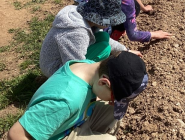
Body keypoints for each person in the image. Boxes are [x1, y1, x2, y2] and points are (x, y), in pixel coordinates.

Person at [8, 51, 148, 140]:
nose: (113, 102)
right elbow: (15, 134)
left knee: (111, 112)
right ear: (104, 82)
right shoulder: (66, 100)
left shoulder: (90, 66)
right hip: (57, 135)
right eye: (114, 98)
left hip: (70, 122)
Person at [40, 0, 141, 78]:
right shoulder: (77, 33)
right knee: (104, 49)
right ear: (100, 19)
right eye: (110, 20)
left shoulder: (85, 17)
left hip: (64, 60)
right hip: (56, 69)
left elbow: (107, 40)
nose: (111, 24)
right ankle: (53, 81)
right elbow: (75, 68)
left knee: (103, 38)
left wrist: (125, 51)